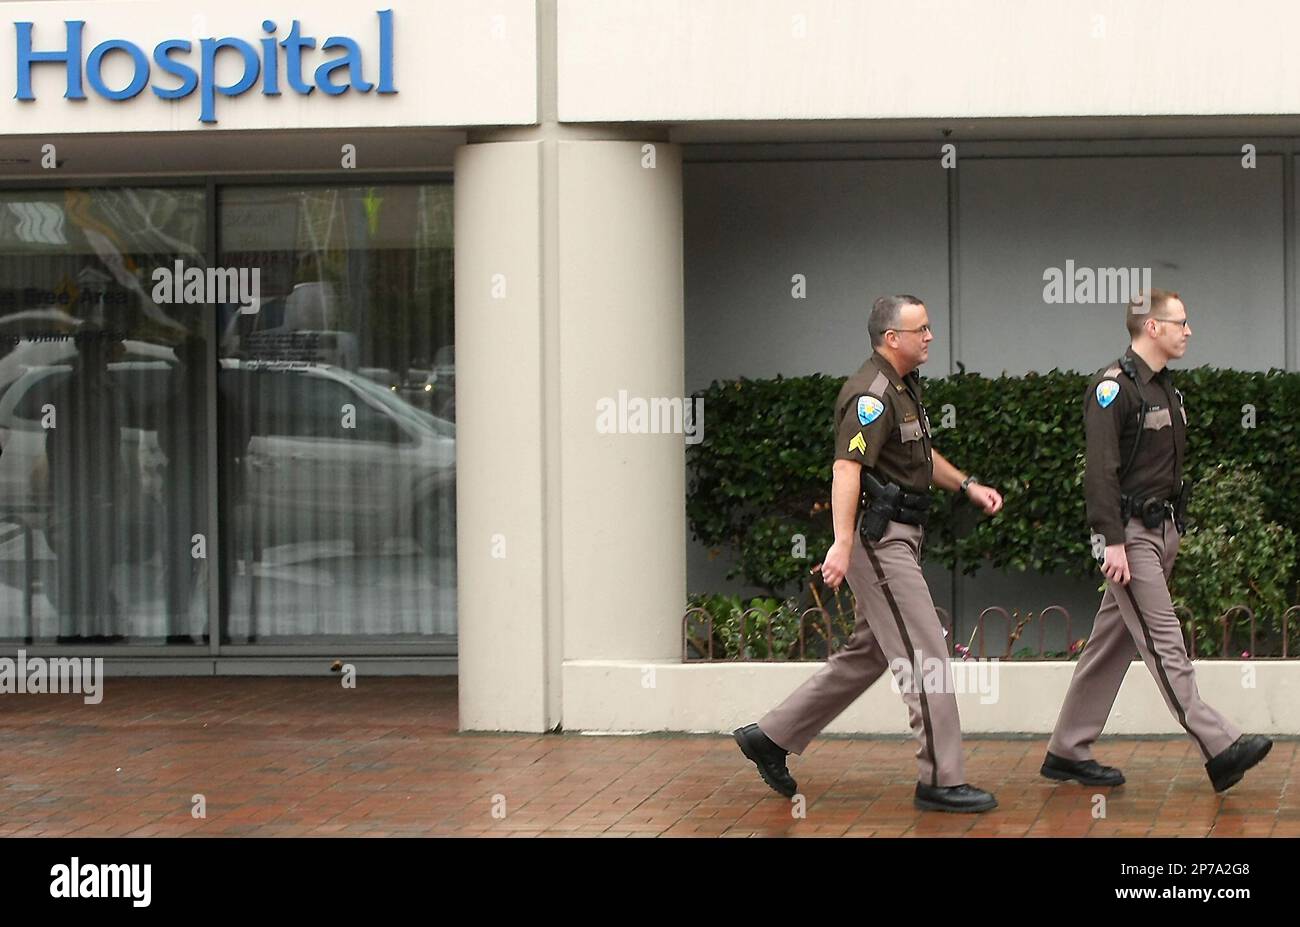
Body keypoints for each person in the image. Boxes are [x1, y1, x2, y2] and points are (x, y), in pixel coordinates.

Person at [734, 295, 1005, 813]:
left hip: (901, 537)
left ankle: (769, 738)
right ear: (891, 339)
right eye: (919, 329)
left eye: (929, 327)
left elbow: (920, 457)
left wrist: (966, 484)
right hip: (881, 543)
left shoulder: (903, 388)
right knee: (928, 657)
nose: (929, 336)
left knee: (869, 654)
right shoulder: (872, 395)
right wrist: (841, 542)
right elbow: (846, 470)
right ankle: (942, 780)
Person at [1042, 288, 1272, 793]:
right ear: (1152, 327)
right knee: (1165, 643)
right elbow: (1100, 473)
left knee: (1109, 645)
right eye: (1181, 322)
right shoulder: (1112, 388)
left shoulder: (1164, 388)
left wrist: (1174, 530)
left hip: (1160, 530)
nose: (1188, 331)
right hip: (1128, 537)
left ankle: (1066, 749)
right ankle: (1220, 745)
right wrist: (1113, 543)